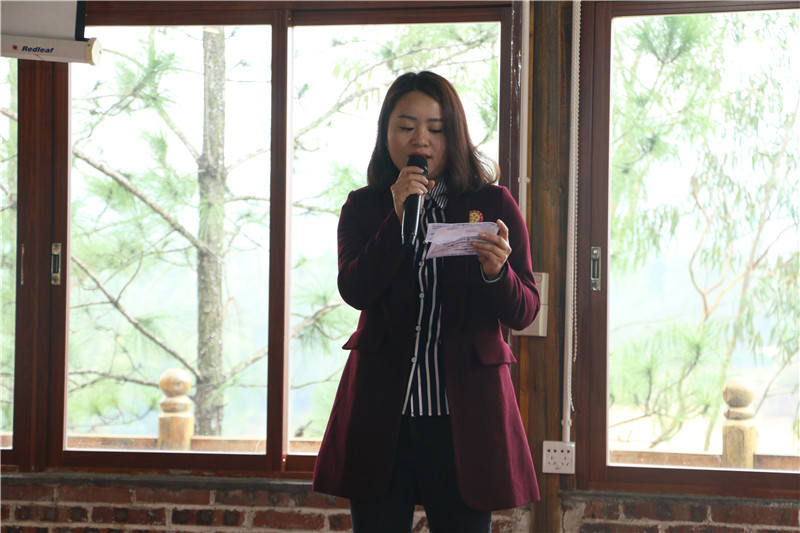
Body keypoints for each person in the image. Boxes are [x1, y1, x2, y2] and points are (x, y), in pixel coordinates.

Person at [312, 71, 540, 533]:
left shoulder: (492, 203)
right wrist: (397, 218)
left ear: (454, 136)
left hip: (466, 418)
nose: (421, 139)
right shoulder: (364, 207)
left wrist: (495, 273)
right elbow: (355, 290)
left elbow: (525, 310)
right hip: (382, 415)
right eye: (406, 126)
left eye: (436, 129)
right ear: (386, 134)